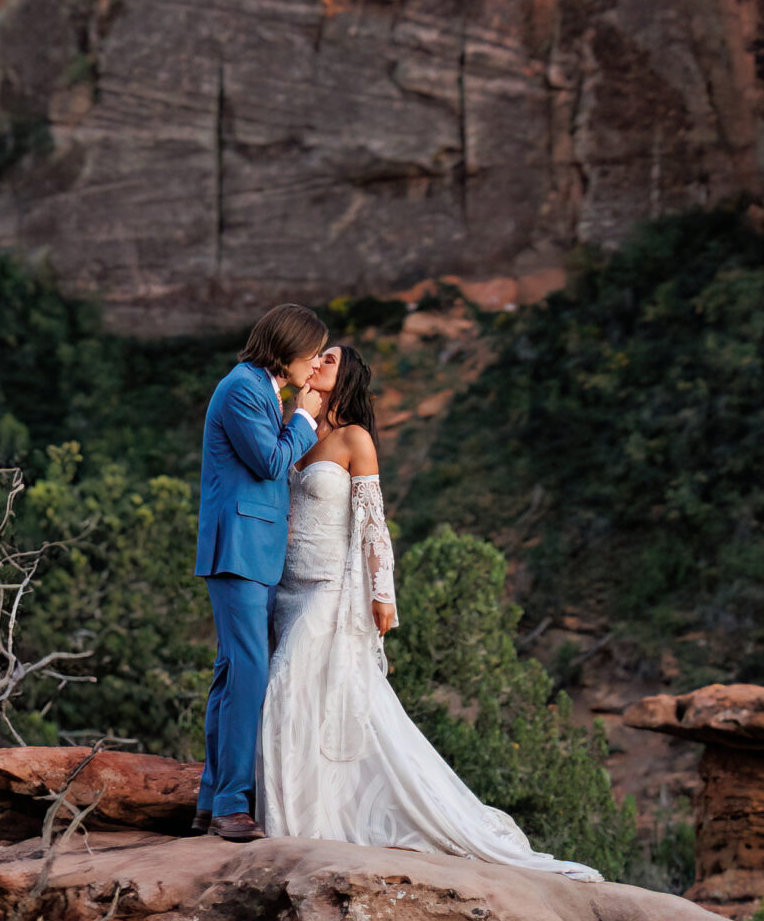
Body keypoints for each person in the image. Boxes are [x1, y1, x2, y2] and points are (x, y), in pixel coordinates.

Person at [256, 342, 600, 879]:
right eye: (316, 357)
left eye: (329, 360)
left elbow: (373, 521)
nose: (318, 363)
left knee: (297, 684)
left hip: (330, 588)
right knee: (297, 694)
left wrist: (382, 592)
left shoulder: (355, 439)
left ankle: (324, 819)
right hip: (288, 587)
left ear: (345, 379)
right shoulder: (297, 431)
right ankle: (301, 810)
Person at [194, 302, 331, 841]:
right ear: (290, 349)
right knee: (248, 672)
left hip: (256, 551)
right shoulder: (242, 388)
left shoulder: (258, 387)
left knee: (232, 673)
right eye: (313, 354)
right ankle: (231, 806)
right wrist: (303, 418)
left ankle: (210, 800)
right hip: (239, 550)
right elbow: (270, 462)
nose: (316, 365)